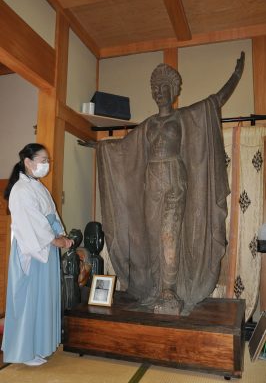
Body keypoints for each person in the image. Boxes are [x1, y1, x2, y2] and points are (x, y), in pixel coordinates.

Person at [94, 53, 245, 315]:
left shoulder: (183, 117)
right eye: (155, 88)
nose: (159, 92)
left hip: (175, 176)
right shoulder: (148, 125)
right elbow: (122, 149)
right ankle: (156, 288)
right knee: (153, 237)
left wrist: (235, 76)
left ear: (174, 91)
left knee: (169, 235)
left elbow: (214, 102)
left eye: (164, 87)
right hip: (151, 181)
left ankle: (170, 291)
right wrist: (100, 147)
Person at [1, 143, 73, 366]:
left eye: (47, 160)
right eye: (43, 160)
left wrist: (61, 234)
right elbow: (33, 225)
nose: (46, 164)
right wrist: (55, 239)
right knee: (28, 300)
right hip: (33, 252)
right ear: (28, 162)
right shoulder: (21, 190)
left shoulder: (38, 187)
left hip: (46, 250)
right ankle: (24, 351)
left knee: (43, 299)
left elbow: (51, 215)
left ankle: (38, 346)